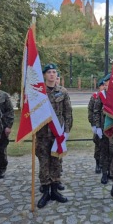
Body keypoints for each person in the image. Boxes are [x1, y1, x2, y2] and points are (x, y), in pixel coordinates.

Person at [36, 64, 73, 208]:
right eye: (49, 72)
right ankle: (45, 192)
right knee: (44, 163)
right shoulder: (38, 92)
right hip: (42, 135)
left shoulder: (62, 91)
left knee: (56, 162)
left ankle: (55, 191)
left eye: (54, 72)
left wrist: (67, 131)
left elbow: (68, 112)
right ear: (44, 75)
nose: (51, 74)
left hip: (58, 134)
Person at [93, 74, 112, 184]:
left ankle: (111, 172)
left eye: (109, 82)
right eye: (106, 83)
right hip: (104, 128)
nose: (107, 84)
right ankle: (104, 173)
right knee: (104, 152)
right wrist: (97, 127)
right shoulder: (101, 95)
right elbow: (96, 111)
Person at [88, 78, 105, 174]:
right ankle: (98, 164)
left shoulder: (108, 96)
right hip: (97, 125)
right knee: (98, 146)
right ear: (99, 87)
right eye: (102, 85)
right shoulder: (95, 97)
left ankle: (105, 164)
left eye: (105, 85)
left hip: (106, 126)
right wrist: (93, 124)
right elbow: (91, 111)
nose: (103, 87)